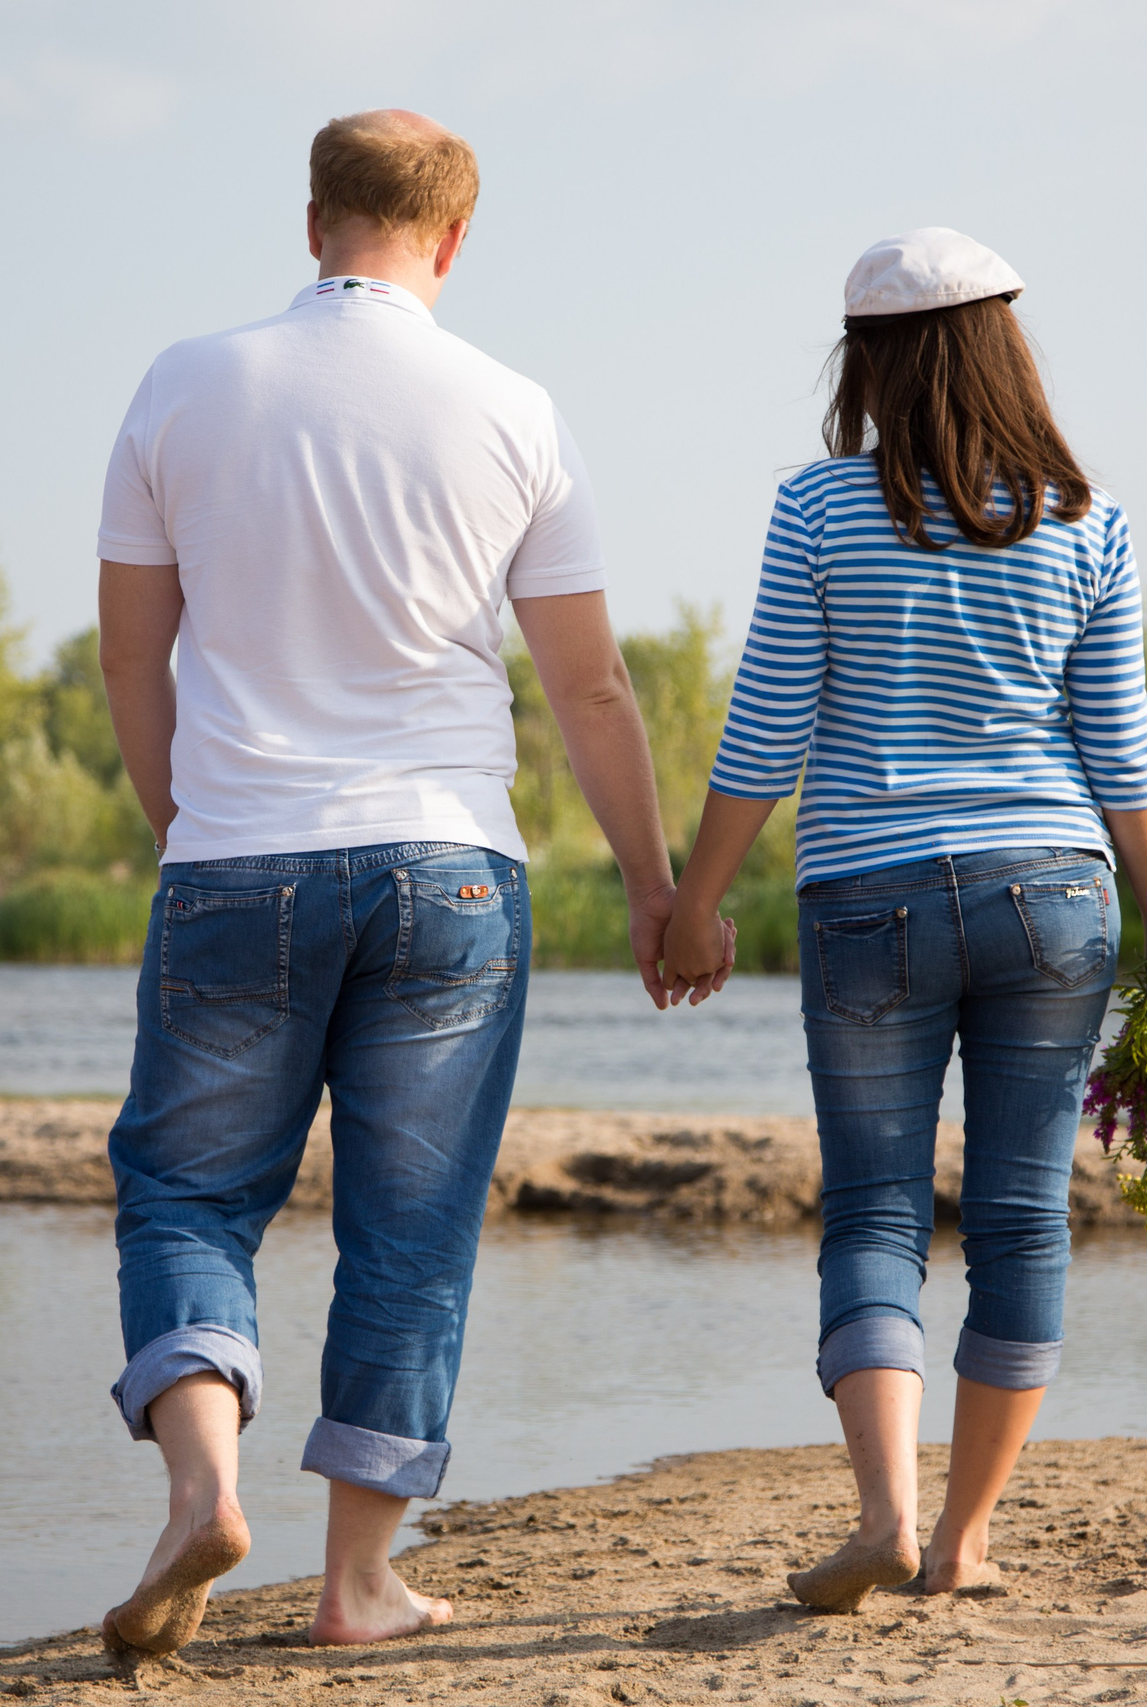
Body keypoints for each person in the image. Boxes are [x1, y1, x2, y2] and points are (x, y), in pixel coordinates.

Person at [91, 109, 723, 1659]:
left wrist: (190, 824)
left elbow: (131, 651)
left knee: (187, 1191)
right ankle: (358, 1583)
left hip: (238, 855)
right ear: (453, 242)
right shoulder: (514, 409)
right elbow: (591, 693)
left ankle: (201, 1487)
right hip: (448, 867)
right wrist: (653, 883)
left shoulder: (182, 384)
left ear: (312, 223)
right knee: (413, 1228)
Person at [663, 229, 1147, 1611]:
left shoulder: (820, 512)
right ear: (1009, 349)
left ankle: (886, 1518)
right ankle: (964, 1544)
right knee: (1022, 1218)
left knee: (876, 1211)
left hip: (871, 894)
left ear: (872, 363)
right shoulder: (1092, 519)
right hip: (1056, 892)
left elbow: (767, 731)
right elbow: (1121, 746)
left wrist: (692, 903)